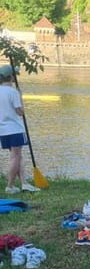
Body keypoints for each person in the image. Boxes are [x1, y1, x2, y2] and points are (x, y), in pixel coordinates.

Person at [0, 65, 40, 194]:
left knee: (17, 157)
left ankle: (24, 183)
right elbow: (20, 112)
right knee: (15, 157)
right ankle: (10, 186)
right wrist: (20, 98)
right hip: (15, 129)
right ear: (11, 77)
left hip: (3, 130)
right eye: (15, 75)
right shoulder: (13, 92)